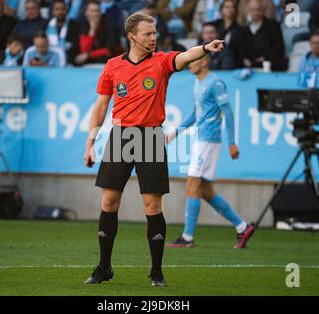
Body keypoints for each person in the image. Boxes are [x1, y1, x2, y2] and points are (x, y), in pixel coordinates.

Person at [83, 12, 224, 287]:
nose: (153, 37)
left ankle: (156, 272)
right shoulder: (113, 66)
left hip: (150, 138)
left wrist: (206, 48)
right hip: (121, 137)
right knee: (109, 203)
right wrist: (90, 144)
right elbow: (101, 107)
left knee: (152, 206)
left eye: (155, 33)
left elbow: (185, 56)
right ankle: (103, 268)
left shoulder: (161, 61)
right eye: (148, 33)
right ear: (132, 36)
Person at [165, 54, 254, 249]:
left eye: (193, 60)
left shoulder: (215, 83)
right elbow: (196, 113)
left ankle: (188, 238)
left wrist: (232, 143)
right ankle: (242, 227)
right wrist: (176, 132)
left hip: (209, 140)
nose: (189, 64)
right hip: (202, 139)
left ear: (204, 61)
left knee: (192, 183)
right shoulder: (199, 82)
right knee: (205, 191)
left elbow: (228, 112)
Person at [242, 0, 285, 71]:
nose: (255, 13)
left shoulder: (273, 26)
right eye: (253, 10)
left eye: (258, 10)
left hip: (270, 67)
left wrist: (265, 57)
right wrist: (244, 59)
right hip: (248, 69)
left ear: (263, 10)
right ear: (249, 11)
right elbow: (241, 50)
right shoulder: (244, 29)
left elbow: (279, 48)